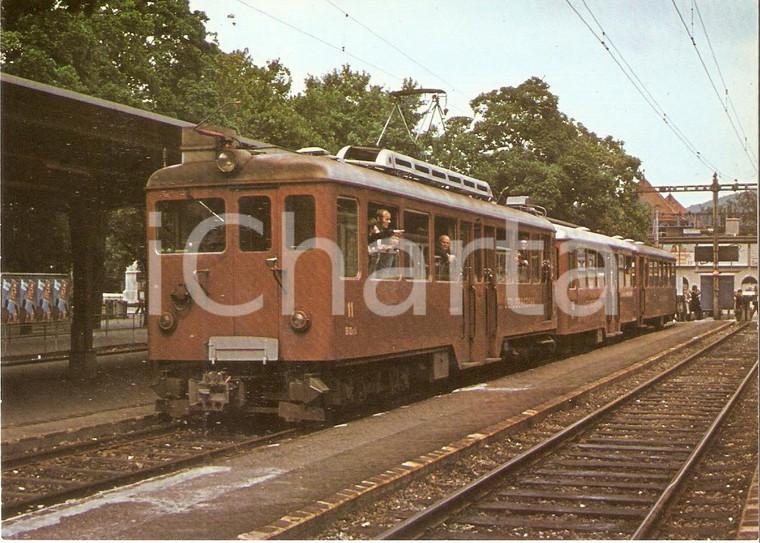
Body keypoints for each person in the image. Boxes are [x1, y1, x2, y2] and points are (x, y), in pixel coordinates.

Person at [368, 209, 399, 275]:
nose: (389, 221)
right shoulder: (371, 231)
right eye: (387, 219)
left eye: (389, 219)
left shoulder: (382, 234)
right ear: (379, 219)